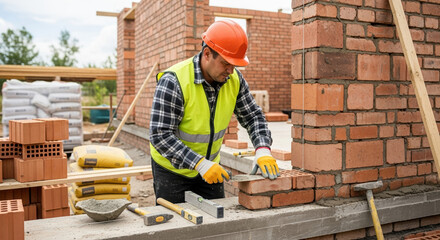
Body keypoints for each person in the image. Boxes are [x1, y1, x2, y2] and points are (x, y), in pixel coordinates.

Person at [149, 19, 280, 204]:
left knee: (216, 225)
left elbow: (253, 117)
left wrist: (263, 149)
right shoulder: (174, 81)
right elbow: (160, 135)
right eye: (226, 63)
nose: (231, 70)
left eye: (235, 65)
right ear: (207, 53)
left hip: (211, 169)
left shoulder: (234, 79)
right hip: (172, 171)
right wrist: (200, 164)